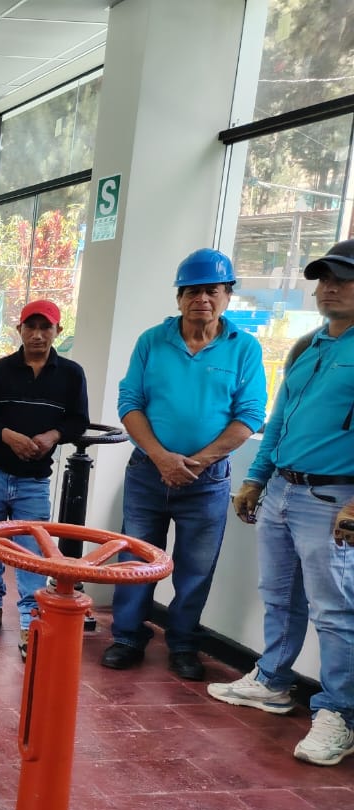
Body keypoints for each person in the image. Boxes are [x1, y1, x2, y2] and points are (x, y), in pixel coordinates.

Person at [207, 238, 354, 766]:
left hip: (333, 499)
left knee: (335, 613)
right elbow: (278, 421)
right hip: (282, 492)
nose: (329, 288)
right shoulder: (308, 347)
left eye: (343, 278)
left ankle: (339, 714)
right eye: (324, 279)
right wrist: (255, 479)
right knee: (279, 596)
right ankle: (272, 680)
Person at [102, 248, 266, 681]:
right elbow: (130, 402)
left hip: (207, 481)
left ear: (227, 295)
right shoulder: (152, 341)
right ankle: (127, 637)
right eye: (192, 291)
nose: (202, 299)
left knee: (195, 568)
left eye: (212, 290)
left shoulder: (244, 349)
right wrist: (161, 457)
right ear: (179, 298)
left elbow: (250, 415)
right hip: (147, 474)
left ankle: (182, 644)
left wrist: (196, 462)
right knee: (136, 558)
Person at [0, 299, 89, 657]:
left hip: (34, 478)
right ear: (19, 330)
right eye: (30, 327)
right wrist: (7, 436)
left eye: (45, 327)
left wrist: (53, 435)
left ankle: (29, 618)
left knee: (33, 551)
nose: (37, 335)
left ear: (57, 331)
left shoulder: (71, 374)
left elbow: (78, 420)